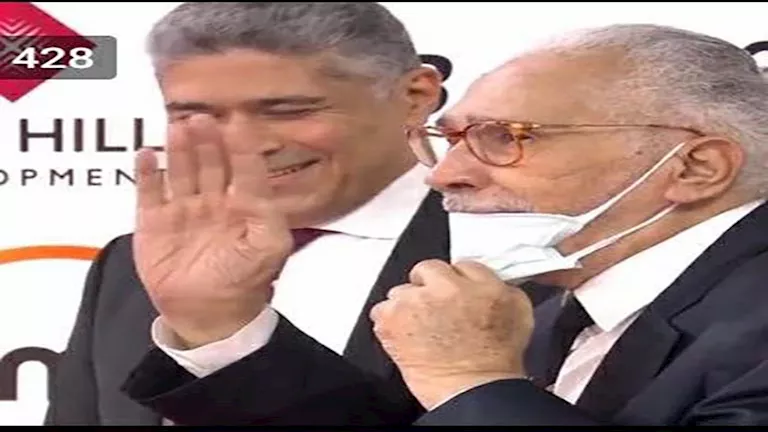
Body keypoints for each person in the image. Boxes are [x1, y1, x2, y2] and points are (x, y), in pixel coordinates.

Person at [119, 23, 768, 426]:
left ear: (697, 167)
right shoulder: (543, 308)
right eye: (450, 139)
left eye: (504, 137)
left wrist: (473, 381)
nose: (443, 175)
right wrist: (223, 323)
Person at [45, 2, 477, 425]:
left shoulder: (497, 253)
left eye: (288, 111)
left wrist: (222, 334)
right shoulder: (128, 264)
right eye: (194, 115)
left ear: (415, 96)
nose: (244, 144)